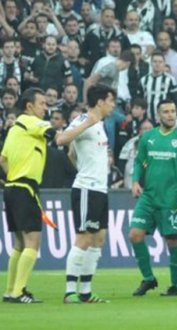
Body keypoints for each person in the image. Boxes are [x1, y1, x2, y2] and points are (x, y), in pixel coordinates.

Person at [129, 99, 177, 297]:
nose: (171, 115)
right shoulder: (148, 137)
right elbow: (139, 162)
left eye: (173, 111)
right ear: (158, 115)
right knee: (135, 235)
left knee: (172, 241)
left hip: (171, 199)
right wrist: (136, 181)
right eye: (166, 112)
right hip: (148, 197)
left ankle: (175, 285)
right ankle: (148, 278)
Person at [58, 84, 117, 303]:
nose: (112, 105)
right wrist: (86, 125)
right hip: (86, 188)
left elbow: (73, 153)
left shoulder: (99, 124)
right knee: (83, 237)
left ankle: (85, 291)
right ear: (100, 102)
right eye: (110, 101)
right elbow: (62, 140)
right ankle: (70, 291)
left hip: (100, 189)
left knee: (99, 238)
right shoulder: (85, 120)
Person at [1, 88, 56, 303]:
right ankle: (19, 291)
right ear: (29, 106)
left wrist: (14, 176)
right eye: (42, 103)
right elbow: (54, 135)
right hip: (25, 188)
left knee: (19, 244)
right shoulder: (32, 121)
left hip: (12, 187)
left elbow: (2, 160)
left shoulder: (15, 129)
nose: (46, 107)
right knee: (33, 240)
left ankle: (10, 291)